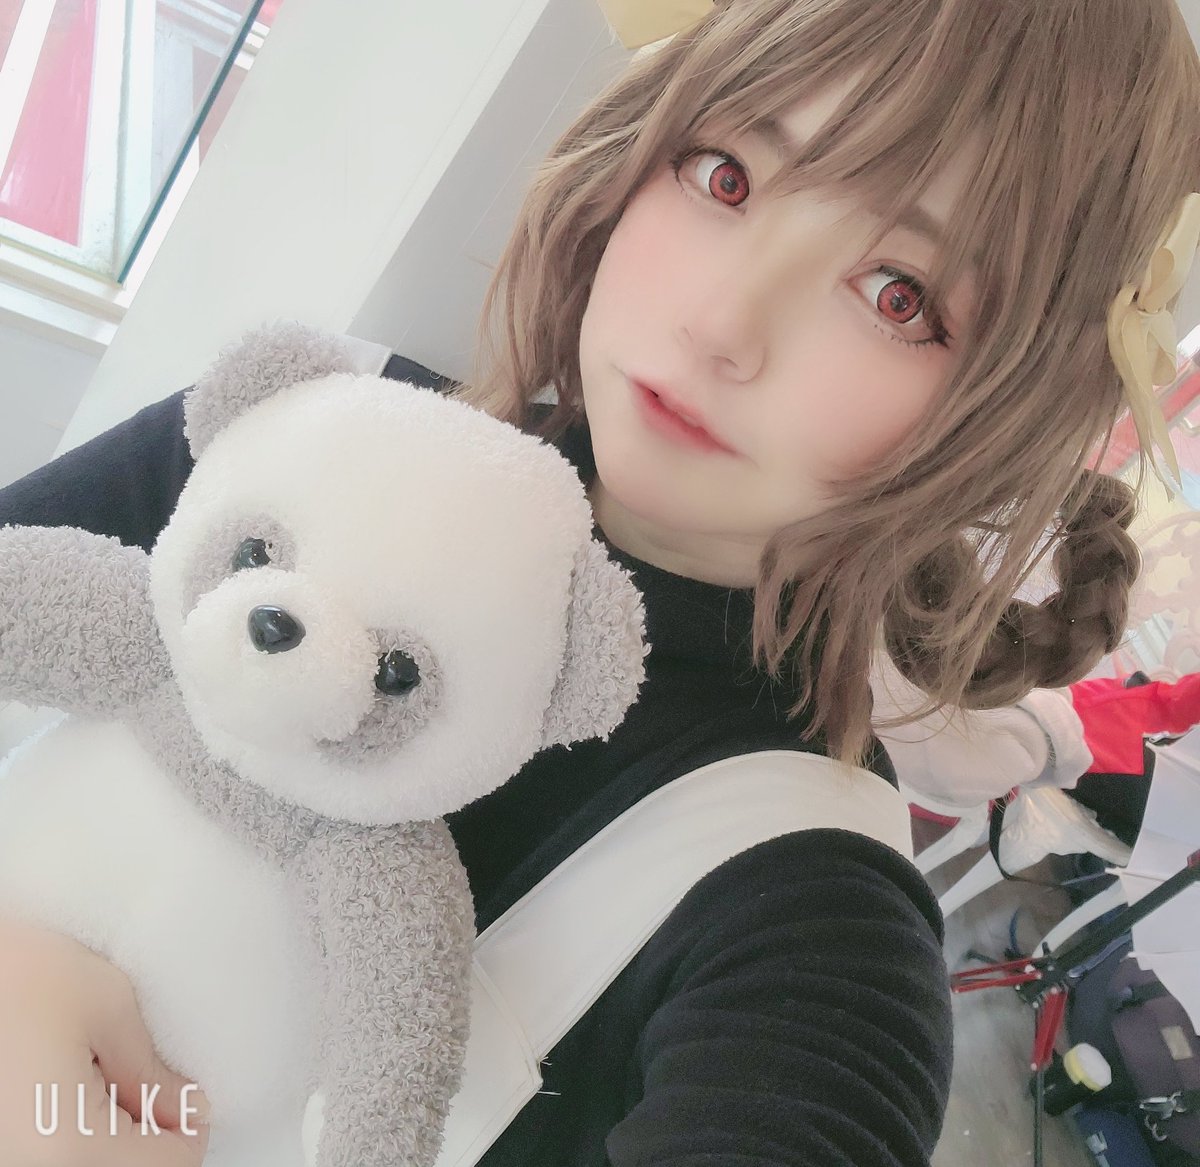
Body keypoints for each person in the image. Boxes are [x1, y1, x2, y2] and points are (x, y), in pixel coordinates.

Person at [1, 0, 1198, 1162]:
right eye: (726, 175)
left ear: (1008, 410)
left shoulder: (809, 925)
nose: (722, 322)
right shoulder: (292, 440)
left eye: (899, 295)